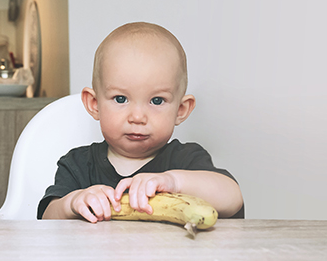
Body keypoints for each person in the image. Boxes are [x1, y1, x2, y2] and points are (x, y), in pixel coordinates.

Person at [38, 22, 244, 222]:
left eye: (157, 101)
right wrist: (71, 203)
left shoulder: (186, 160)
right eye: (121, 99)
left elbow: (233, 199)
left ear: (181, 110)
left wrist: (174, 181)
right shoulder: (78, 164)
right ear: (94, 104)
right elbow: (47, 219)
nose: (137, 117)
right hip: (96, 257)